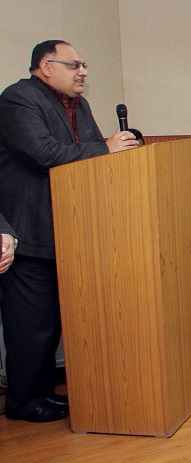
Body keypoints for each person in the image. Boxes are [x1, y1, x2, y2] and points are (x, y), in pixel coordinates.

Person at [0, 40, 138, 422]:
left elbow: (95, 149)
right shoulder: (18, 99)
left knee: (56, 323)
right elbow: (43, 153)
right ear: (46, 66)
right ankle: (25, 402)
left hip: (74, 230)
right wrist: (106, 148)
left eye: (84, 64)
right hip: (31, 232)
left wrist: (116, 149)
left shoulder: (80, 105)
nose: (83, 72)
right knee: (32, 327)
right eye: (74, 64)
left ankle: (44, 393)